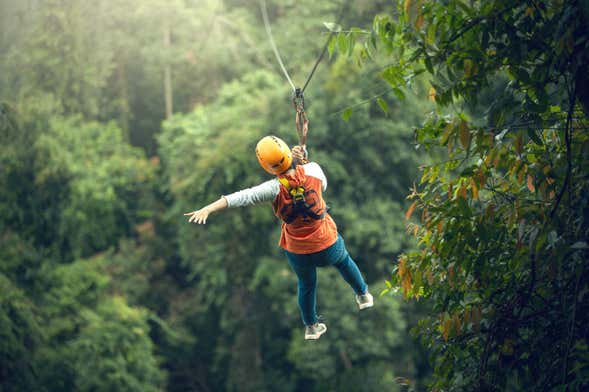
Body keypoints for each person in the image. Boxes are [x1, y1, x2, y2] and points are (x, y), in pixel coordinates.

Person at [184, 119, 373, 340]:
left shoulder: (271, 189)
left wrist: (208, 208)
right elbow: (319, 183)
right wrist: (303, 157)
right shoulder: (314, 170)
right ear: (288, 153)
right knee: (343, 261)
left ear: (266, 165)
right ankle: (363, 295)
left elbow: (241, 197)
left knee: (306, 284)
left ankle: (311, 326)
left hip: (297, 249)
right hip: (325, 241)